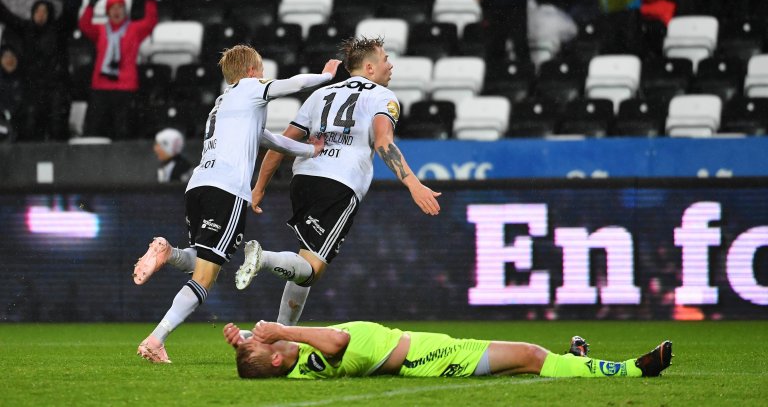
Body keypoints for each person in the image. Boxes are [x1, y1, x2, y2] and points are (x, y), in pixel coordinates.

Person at [132, 45, 342, 363]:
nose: (263, 76)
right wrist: (326, 76)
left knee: (204, 259)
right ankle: (155, 339)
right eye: (260, 70)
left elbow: (268, 139)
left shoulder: (222, 104)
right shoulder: (250, 88)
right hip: (226, 190)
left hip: (199, 186)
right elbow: (293, 85)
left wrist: (309, 151)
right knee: (205, 277)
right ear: (249, 71)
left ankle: (168, 253)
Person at [233, 36, 442, 327]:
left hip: (303, 180)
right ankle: (264, 258)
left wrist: (259, 188)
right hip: (338, 183)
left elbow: (280, 143)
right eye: (385, 60)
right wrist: (413, 183)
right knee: (312, 269)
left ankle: (281, 334)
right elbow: (383, 142)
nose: (390, 65)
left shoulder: (320, 95)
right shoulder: (384, 97)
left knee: (305, 260)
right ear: (370, 68)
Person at [223, 320, 673, 379]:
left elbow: (267, 354)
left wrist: (241, 340)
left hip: (427, 353)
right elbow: (338, 340)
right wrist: (283, 328)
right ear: (280, 356)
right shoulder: (316, 353)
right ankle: (635, 370)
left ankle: (575, 360)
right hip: (429, 358)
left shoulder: (296, 366)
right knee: (533, 357)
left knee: (522, 366)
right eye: (269, 344)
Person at [78, 0, 157, 139]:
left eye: (120, 7)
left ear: (125, 11)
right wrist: (91, 5)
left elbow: (150, 22)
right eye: (112, 8)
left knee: (123, 129)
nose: (116, 11)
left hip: (125, 86)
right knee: (95, 128)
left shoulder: (134, 29)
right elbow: (84, 25)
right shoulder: (100, 29)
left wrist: (149, 0)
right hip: (100, 85)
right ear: (107, 12)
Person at [0, 0, 71, 141]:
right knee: (31, 125)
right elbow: (7, 16)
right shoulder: (27, 29)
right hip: (33, 87)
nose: (40, 14)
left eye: (44, 11)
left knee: (56, 126)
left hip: (54, 88)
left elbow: (70, 14)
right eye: (37, 11)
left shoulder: (57, 31)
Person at [457, 0, 531, 63]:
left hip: (516, 1)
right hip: (491, 3)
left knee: (520, 46)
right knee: (494, 49)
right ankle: (494, 76)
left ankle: (523, 76)